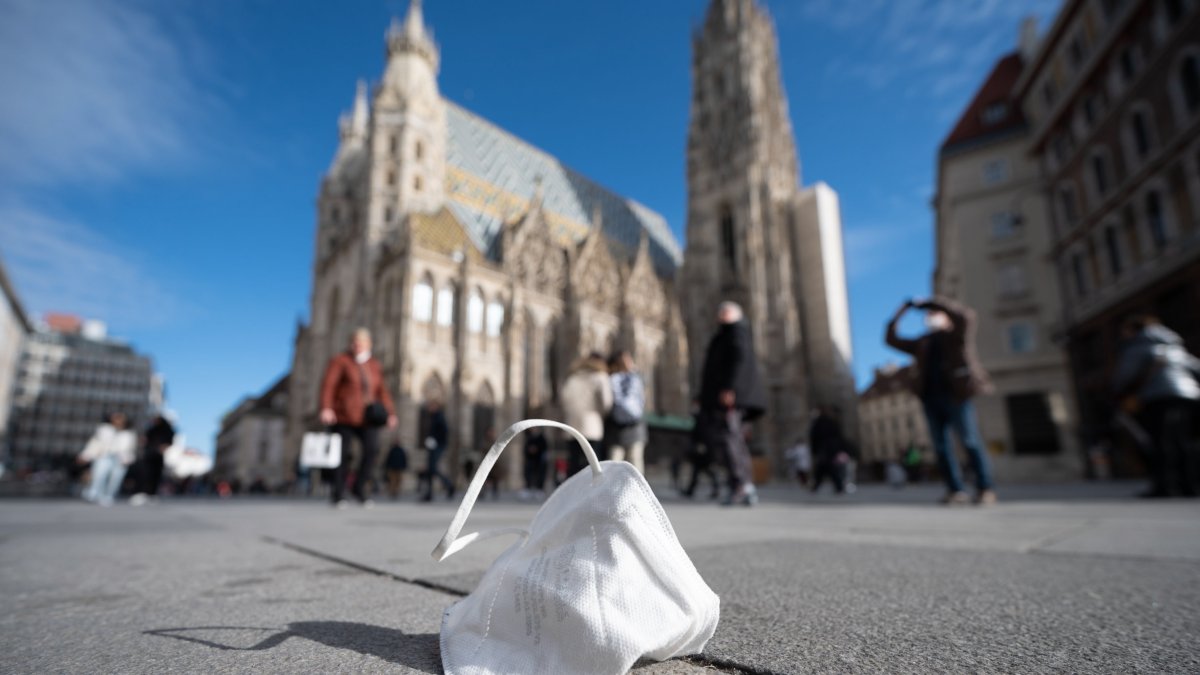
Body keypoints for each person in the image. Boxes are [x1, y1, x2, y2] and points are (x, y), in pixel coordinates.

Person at [887, 297, 996, 505]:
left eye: (935, 315)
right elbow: (891, 339)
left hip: (956, 396)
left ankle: (985, 487)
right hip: (930, 397)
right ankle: (956, 490)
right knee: (941, 446)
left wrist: (931, 303)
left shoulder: (956, 335)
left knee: (970, 441)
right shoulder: (922, 342)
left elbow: (966, 316)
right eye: (929, 316)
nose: (931, 318)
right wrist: (901, 311)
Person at [1112, 315, 1200, 498]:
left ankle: (1164, 486)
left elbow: (1125, 376)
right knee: (1183, 441)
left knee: (1160, 442)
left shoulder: (1138, 347)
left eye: (1125, 331)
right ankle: (1190, 486)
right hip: (1187, 396)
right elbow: (1196, 369)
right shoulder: (1175, 348)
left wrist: (1117, 391)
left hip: (1156, 398)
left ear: (1134, 330)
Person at [697, 301, 767, 506]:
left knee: (729, 440)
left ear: (735, 315)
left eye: (725, 311)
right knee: (733, 440)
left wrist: (730, 388)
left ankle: (741, 486)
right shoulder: (728, 333)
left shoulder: (736, 332)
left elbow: (739, 360)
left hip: (728, 397)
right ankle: (743, 486)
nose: (720, 314)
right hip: (723, 395)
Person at [319, 328, 397, 508]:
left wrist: (391, 413)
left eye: (361, 343)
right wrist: (326, 408)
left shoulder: (374, 365)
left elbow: (381, 391)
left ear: (368, 344)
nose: (357, 346)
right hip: (343, 415)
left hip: (367, 417)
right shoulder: (340, 361)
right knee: (341, 455)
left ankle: (359, 488)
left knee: (372, 451)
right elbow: (328, 385)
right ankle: (338, 493)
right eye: (354, 342)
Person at [561, 352, 613, 477]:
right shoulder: (600, 376)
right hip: (592, 424)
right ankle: (591, 492)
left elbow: (564, 399)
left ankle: (573, 491)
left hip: (572, 425)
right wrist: (601, 414)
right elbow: (606, 402)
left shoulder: (572, 378)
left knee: (574, 461)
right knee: (592, 462)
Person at [78, 412, 138, 506]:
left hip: (120, 458)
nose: (118, 421)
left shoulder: (129, 433)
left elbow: (131, 448)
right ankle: (94, 492)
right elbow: (95, 443)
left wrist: (129, 459)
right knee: (100, 475)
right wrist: (86, 455)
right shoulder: (104, 430)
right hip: (105, 455)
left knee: (116, 478)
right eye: (116, 418)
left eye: (120, 418)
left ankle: (108, 495)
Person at [607, 350, 648, 474]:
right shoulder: (635, 378)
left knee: (618, 462)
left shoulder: (611, 378)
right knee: (631, 463)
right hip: (625, 426)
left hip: (624, 426)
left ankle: (633, 492)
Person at [131, 414, 175, 506]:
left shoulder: (167, 430)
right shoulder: (151, 429)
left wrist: (163, 448)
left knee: (156, 475)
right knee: (144, 474)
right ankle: (141, 493)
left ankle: (152, 494)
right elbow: (145, 439)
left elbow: (169, 442)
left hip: (158, 456)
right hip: (148, 454)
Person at [809, 406, 848, 494]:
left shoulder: (818, 422)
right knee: (827, 468)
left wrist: (814, 450)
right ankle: (838, 487)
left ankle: (818, 486)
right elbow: (839, 436)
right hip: (831, 449)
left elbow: (814, 437)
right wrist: (839, 449)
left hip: (824, 449)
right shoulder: (832, 422)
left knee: (825, 468)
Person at [421, 399, 455, 502]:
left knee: (432, 469)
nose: (429, 408)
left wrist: (435, 441)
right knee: (430, 470)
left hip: (438, 446)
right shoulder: (433, 417)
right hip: (433, 446)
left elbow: (444, 431)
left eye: (431, 406)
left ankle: (449, 485)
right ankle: (430, 493)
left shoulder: (439, 416)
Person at [521, 427, 549, 500]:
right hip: (530, 459)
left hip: (539, 460)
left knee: (540, 475)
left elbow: (545, 448)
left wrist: (537, 449)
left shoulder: (542, 438)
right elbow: (525, 448)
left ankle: (539, 489)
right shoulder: (529, 438)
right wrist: (529, 450)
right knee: (528, 474)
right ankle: (528, 488)